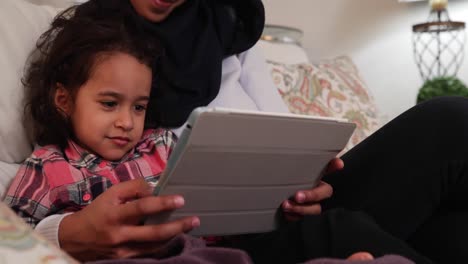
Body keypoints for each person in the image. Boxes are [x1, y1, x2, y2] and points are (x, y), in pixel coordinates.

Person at [6, 0, 468, 264]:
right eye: (112, 104)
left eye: (140, 106)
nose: (127, 119)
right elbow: (16, 229)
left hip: (271, 215)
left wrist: (301, 175)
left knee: (452, 133)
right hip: (224, 242)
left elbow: (281, 125)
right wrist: (65, 233)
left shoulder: (229, 26)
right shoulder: (95, 40)